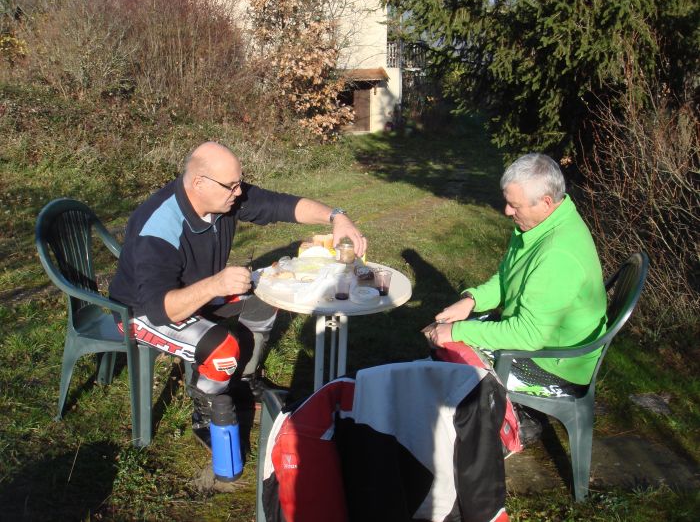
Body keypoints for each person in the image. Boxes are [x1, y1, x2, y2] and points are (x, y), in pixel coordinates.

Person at [109, 141, 367, 441]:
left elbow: (282, 205)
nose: (239, 192)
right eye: (231, 186)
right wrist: (215, 284)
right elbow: (161, 309)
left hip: (195, 292)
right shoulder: (158, 228)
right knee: (222, 348)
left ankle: (244, 381)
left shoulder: (224, 197)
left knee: (269, 291)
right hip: (141, 311)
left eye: (239, 183)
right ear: (199, 183)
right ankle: (207, 413)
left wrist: (337, 217)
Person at [427, 153, 607, 401]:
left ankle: (485, 418)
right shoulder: (536, 226)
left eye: (515, 206)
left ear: (545, 202)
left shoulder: (557, 254)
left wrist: (457, 331)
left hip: (554, 364)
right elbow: (507, 275)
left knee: (451, 367)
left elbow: (527, 335)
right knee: (440, 346)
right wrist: (472, 300)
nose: (507, 211)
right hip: (535, 339)